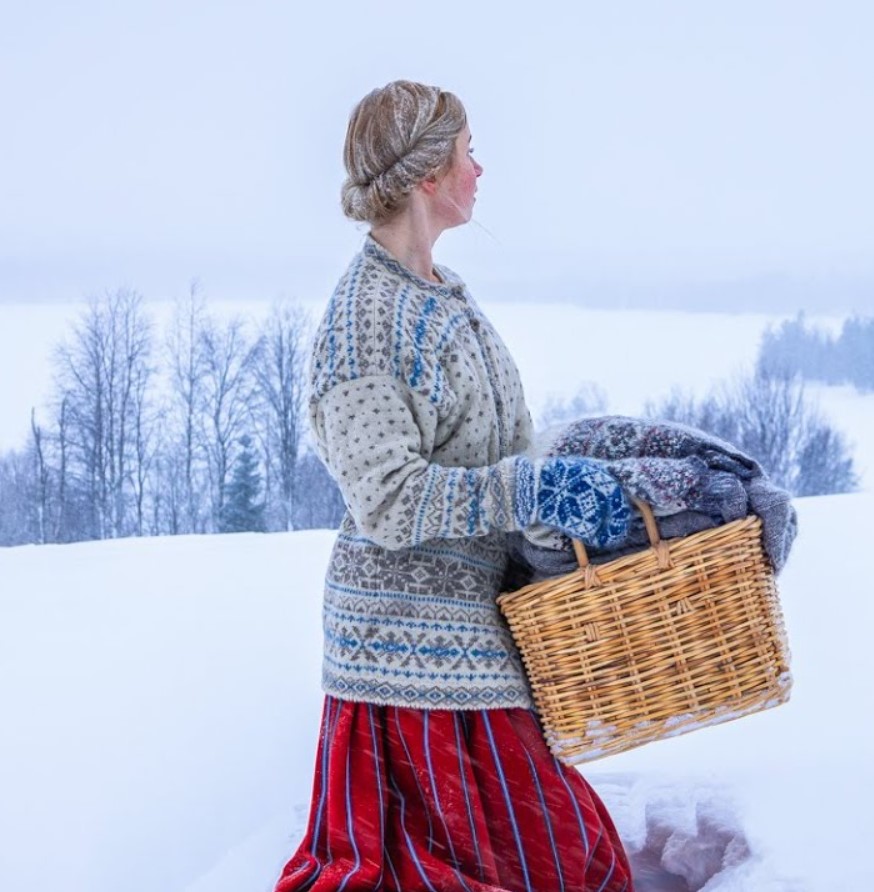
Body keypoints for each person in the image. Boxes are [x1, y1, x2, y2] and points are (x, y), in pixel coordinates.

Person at [273, 80, 635, 892]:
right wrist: (529, 491)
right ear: (429, 174)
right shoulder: (367, 317)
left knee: (572, 859)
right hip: (407, 661)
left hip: (471, 637)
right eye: (469, 150)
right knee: (542, 866)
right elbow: (390, 498)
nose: (481, 167)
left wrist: (568, 498)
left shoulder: (438, 295)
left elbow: (501, 448)